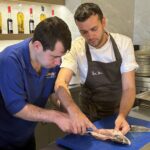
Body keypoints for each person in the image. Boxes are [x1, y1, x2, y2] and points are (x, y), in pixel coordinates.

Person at [55, 3, 138, 136]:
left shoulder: (124, 43)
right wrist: (74, 112)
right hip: (88, 119)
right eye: (84, 32)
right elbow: (61, 83)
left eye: (94, 29)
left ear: (103, 22)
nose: (90, 36)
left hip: (118, 114)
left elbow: (129, 87)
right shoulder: (77, 47)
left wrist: (122, 115)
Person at [0, 16, 82, 150]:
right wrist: (55, 116)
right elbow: (16, 107)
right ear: (37, 46)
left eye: (60, 57)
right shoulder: (10, 60)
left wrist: (69, 110)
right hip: (4, 140)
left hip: (27, 138)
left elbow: (54, 92)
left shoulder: (50, 61)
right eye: (55, 56)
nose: (58, 62)